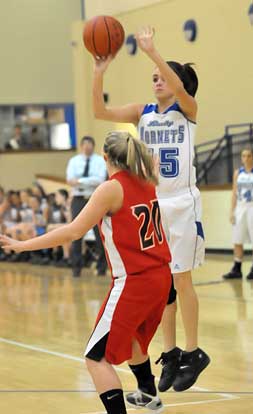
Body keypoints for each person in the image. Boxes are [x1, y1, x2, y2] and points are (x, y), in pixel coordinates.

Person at [0, 132, 172, 413]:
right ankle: (148, 394)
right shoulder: (146, 179)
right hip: (161, 276)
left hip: (135, 280)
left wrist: (23, 245)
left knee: (95, 358)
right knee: (133, 338)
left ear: (105, 158)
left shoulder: (111, 188)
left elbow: (74, 231)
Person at [92, 26, 210, 392]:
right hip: (157, 206)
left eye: (162, 77)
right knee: (165, 289)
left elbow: (179, 88)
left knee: (182, 280)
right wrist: (99, 70)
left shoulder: (186, 110)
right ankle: (171, 351)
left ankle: (193, 352)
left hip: (183, 205)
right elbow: (99, 110)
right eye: (154, 78)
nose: (156, 81)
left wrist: (152, 51)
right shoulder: (143, 113)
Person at [66, 135, 107, 277]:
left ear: (93, 146)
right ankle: (76, 268)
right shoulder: (74, 161)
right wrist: (88, 181)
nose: (87, 147)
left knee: (99, 234)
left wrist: (80, 180)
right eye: (85, 144)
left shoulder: (100, 160)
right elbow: (70, 180)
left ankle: (102, 268)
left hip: (94, 198)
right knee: (75, 233)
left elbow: (100, 180)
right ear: (81, 146)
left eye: (90, 144)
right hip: (78, 199)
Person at [223, 148, 253, 280]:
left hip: (252, 207)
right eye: (243, 156)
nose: (245, 158)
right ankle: (237, 268)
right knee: (237, 238)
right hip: (240, 208)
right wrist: (232, 211)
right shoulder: (237, 173)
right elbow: (234, 193)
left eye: (248, 156)